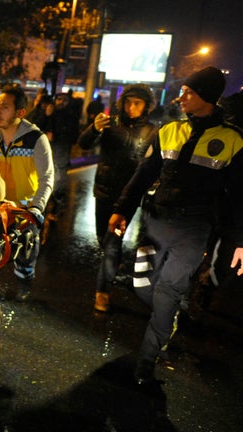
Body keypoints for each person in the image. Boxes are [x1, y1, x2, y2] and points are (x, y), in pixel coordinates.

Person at [108, 67, 243, 385]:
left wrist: (238, 239)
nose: (181, 97)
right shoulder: (168, 130)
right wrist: (121, 210)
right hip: (156, 222)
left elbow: (239, 197)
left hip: (194, 229)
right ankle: (170, 315)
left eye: (189, 93)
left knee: (167, 291)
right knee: (141, 285)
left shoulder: (232, 140)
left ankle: (147, 360)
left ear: (206, 98)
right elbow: (143, 175)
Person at [0, 83, 55, 327]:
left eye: (5, 107)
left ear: (20, 112)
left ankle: (24, 278)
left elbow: (47, 177)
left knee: (25, 258)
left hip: (24, 212)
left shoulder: (36, 140)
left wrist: (37, 207)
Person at [78, 84, 158, 312]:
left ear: (146, 107)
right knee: (102, 238)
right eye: (129, 102)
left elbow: (155, 164)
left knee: (112, 243)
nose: (132, 107)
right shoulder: (110, 123)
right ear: (122, 103)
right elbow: (83, 144)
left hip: (128, 197)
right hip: (103, 191)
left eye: (138, 103)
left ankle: (102, 291)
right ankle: (114, 265)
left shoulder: (152, 131)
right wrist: (94, 128)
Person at [47, 92, 80, 219]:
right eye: (58, 99)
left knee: (59, 180)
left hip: (62, 151)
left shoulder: (71, 116)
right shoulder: (51, 113)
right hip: (48, 151)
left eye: (64, 100)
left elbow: (74, 136)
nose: (60, 102)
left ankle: (57, 208)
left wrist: (59, 135)